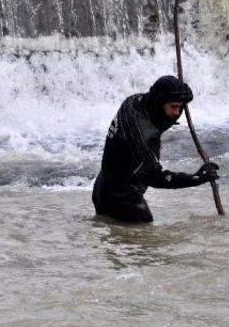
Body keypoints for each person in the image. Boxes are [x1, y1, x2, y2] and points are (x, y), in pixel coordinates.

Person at [92, 75, 219, 223]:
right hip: (123, 197)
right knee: (148, 241)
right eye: (174, 107)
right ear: (159, 103)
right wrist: (196, 178)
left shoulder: (134, 102)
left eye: (180, 107)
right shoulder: (138, 135)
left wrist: (179, 90)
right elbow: (157, 178)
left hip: (103, 185)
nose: (177, 113)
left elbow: (163, 116)